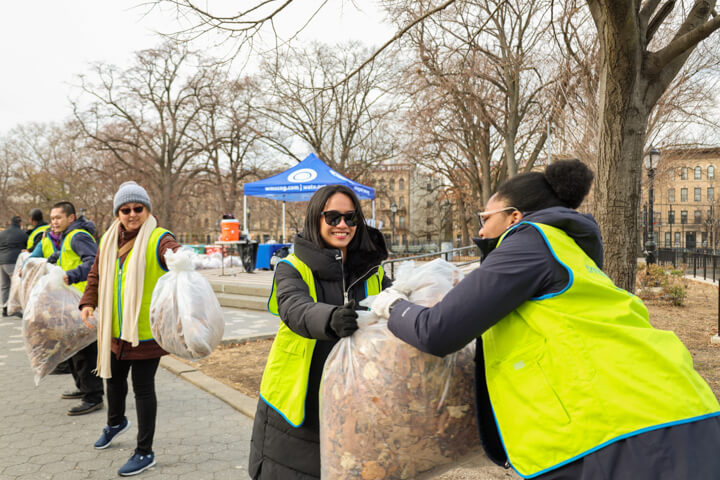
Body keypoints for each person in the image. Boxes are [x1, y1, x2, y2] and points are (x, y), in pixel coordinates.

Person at [371, 159, 720, 479]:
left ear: (514, 216)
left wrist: (392, 305)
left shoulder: (529, 243)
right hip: (661, 413)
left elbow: (438, 331)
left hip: (629, 431)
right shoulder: (561, 246)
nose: (480, 231)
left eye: (485, 218)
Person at [248, 184, 391, 479]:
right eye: (333, 217)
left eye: (350, 218)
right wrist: (330, 318)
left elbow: (397, 306)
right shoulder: (292, 267)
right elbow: (294, 307)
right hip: (301, 402)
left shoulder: (373, 270)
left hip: (356, 399)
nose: (342, 225)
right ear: (316, 218)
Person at [79, 181, 181, 477]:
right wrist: (88, 302)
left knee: (143, 389)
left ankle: (144, 451)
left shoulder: (159, 237)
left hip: (146, 332)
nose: (132, 214)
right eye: (126, 209)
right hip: (114, 330)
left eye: (139, 208)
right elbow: (96, 273)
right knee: (112, 380)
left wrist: (178, 258)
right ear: (118, 212)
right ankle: (115, 423)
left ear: (147, 209)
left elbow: (170, 251)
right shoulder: (109, 239)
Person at [26, 201, 104, 414]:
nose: (54, 222)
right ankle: (83, 388)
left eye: (58, 218)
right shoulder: (59, 238)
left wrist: (72, 275)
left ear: (71, 218)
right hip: (68, 303)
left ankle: (94, 395)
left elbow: (93, 262)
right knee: (72, 347)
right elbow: (63, 260)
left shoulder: (78, 236)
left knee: (86, 350)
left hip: (83, 300)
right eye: (51, 218)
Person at [0, 216, 28, 316]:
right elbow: (27, 246)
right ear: (19, 223)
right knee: (16, 285)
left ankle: (5, 307)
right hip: (14, 262)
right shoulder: (22, 233)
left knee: (4, 286)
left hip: (2, 261)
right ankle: (15, 308)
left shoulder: (2, 233)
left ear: (10, 222)